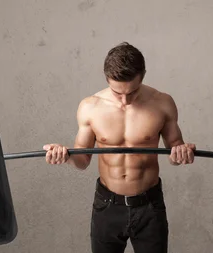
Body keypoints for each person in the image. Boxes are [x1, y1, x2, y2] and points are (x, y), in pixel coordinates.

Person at [43, 42, 196, 253]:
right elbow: (82, 161)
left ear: (143, 76)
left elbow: (174, 152)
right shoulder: (90, 107)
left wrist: (181, 153)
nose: (124, 100)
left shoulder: (162, 103)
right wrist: (65, 155)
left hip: (149, 206)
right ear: (107, 79)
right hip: (107, 206)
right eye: (117, 92)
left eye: (132, 92)